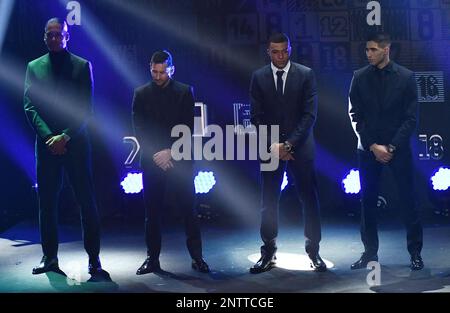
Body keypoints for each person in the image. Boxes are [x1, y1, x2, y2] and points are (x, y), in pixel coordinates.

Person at [24, 18, 105, 276]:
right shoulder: (34, 67)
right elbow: (30, 106)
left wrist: (65, 137)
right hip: (47, 147)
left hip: (76, 144)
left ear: (67, 36)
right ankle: (50, 258)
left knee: (86, 201)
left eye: (59, 34)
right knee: (46, 203)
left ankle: (94, 259)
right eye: (50, 34)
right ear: (44, 37)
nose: (55, 38)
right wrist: (50, 138)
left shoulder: (82, 66)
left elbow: (86, 109)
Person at [249, 33, 326, 273]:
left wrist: (289, 145)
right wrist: (274, 145)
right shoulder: (259, 77)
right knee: (268, 202)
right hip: (270, 147)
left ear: (290, 50)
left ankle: (314, 251)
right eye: (275, 52)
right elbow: (256, 115)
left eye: (284, 51)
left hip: (300, 148)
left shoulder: (306, 74)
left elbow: (309, 115)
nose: (280, 56)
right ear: (268, 52)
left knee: (309, 199)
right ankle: (268, 252)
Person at [348, 32, 423, 271]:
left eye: (372, 50)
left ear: (386, 49)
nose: (368, 54)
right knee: (367, 203)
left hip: (397, 150)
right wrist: (372, 146)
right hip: (368, 150)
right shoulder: (359, 77)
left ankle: (415, 253)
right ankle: (370, 253)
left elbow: (411, 119)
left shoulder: (407, 77)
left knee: (408, 201)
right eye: (366, 50)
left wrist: (390, 147)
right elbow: (356, 116)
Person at [132, 50, 209, 274]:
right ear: (150, 68)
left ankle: (197, 258)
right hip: (153, 160)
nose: (157, 76)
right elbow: (140, 129)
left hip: (180, 161)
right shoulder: (141, 93)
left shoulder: (185, 92)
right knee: (152, 213)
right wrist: (158, 152)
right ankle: (152, 259)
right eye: (154, 72)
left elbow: (187, 127)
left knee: (189, 211)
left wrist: (170, 152)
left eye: (162, 72)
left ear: (171, 69)